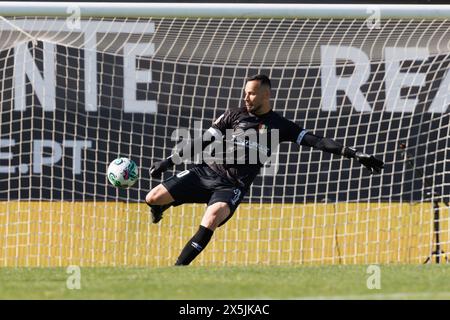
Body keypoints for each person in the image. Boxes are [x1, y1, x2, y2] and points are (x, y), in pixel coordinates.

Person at [145, 74, 384, 266]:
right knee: (152, 198)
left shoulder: (281, 125)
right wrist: (169, 161)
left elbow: (317, 141)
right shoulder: (234, 114)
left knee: (213, 217)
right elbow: (204, 140)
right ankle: (160, 207)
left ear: (266, 94)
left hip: (231, 186)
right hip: (205, 172)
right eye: (245, 93)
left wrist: (354, 154)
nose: (246, 97)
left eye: (251, 93)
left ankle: (177, 270)